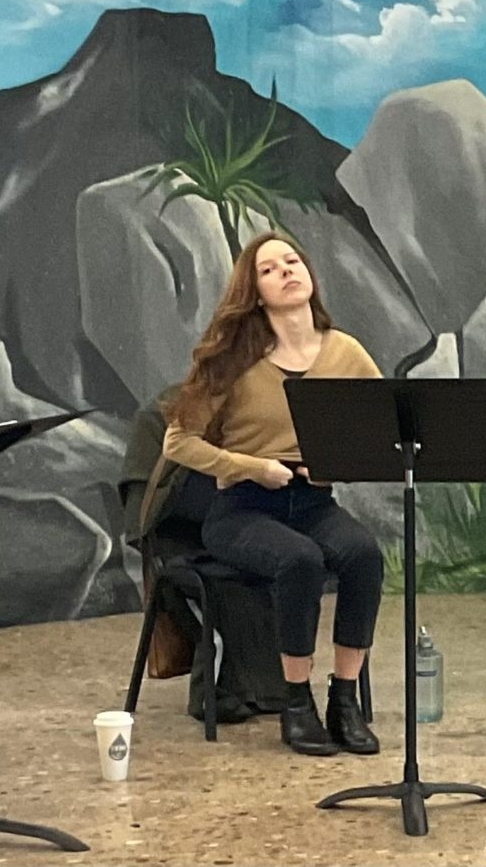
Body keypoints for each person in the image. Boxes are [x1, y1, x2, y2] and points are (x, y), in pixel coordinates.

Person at [161, 232, 386, 757]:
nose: (287, 270)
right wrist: (250, 467)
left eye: (293, 261)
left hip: (312, 501)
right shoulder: (233, 360)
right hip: (241, 507)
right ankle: (296, 703)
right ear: (255, 291)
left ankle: (344, 701)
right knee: (300, 561)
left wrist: (337, 464)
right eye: (269, 268)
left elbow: (382, 430)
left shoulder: (344, 351)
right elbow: (178, 442)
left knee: (363, 556)